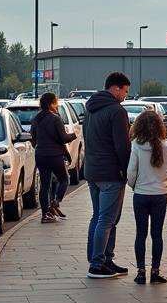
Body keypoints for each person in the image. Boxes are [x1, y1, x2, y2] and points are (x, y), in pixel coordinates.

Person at [83, 72, 132, 279]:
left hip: (93, 170)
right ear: (115, 88)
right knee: (108, 218)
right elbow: (122, 145)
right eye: (125, 91)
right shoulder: (116, 111)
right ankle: (97, 264)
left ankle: (104, 258)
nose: (125, 96)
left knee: (99, 216)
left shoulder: (91, 109)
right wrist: (126, 169)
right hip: (111, 172)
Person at [127, 109, 167, 285]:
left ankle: (141, 272)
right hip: (160, 195)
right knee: (157, 234)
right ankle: (155, 272)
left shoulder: (136, 145)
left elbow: (131, 172)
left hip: (141, 194)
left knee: (140, 233)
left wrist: (134, 186)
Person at [30, 92, 75, 224]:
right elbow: (63, 138)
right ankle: (55, 203)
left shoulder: (36, 119)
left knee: (45, 185)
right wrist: (74, 134)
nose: (57, 105)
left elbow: (33, 139)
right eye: (56, 102)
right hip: (54, 155)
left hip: (40, 154)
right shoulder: (56, 118)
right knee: (64, 179)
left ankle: (45, 215)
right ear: (51, 104)